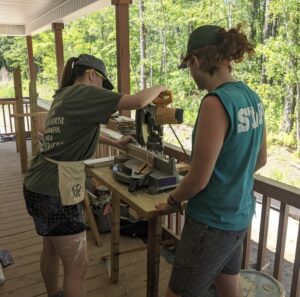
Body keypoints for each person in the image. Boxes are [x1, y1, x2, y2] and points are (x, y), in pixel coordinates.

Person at [23, 54, 167, 297]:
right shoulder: (85, 92)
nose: (103, 89)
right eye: (102, 82)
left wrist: (115, 141)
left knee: (51, 247)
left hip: (37, 184)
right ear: (92, 75)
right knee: (78, 265)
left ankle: (53, 293)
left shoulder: (63, 95)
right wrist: (162, 86)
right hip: (56, 191)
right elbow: (139, 101)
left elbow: (78, 131)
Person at [156, 24, 267, 297]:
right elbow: (260, 159)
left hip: (210, 223)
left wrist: (172, 201)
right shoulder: (252, 98)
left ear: (196, 61)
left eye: (190, 67)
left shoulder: (215, 103)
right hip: (239, 217)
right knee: (228, 285)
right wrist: (231, 178)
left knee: (178, 293)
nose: (192, 75)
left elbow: (198, 179)